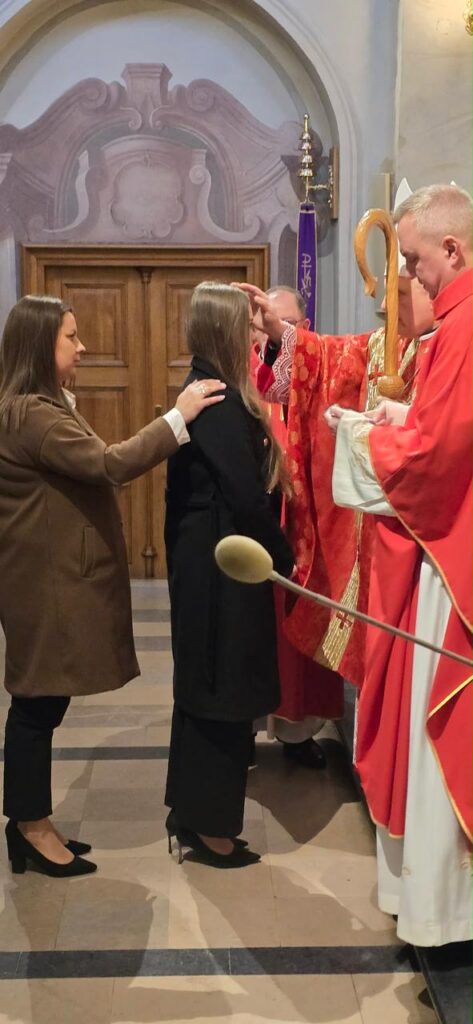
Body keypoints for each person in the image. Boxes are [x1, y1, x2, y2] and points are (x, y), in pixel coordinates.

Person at [0, 294, 226, 878]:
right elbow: (109, 464)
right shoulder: (32, 414)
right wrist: (178, 418)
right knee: (36, 705)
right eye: (70, 337)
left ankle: (32, 822)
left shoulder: (43, 405)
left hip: (42, 577)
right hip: (42, 584)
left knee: (42, 701)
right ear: (40, 345)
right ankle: (29, 828)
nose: (82, 347)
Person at [328, 183, 472, 945]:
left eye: (414, 263)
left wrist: (365, 440)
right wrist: (399, 417)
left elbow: (435, 457)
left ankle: (445, 911)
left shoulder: (464, 324)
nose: (408, 279)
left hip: (456, 557)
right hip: (450, 548)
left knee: (441, 720)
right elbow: (444, 428)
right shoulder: (452, 324)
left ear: (451, 248)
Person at [235, 275, 433, 695]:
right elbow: (323, 360)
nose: (385, 307)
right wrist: (278, 331)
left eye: (399, 292)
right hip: (378, 531)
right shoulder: (383, 345)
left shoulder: (448, 347)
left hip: (426, 537)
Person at [164, 281, 294, 868]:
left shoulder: (208, 384)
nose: (253, 334)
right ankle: (210, 828)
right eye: (245, 326)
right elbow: (245, 496)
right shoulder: (215, 398)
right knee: (222, 685)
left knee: (204, 681)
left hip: (210, 556)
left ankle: (190, 812)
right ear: (223, 330)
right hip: (222, 564)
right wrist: (282, 556)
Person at [250, 287, 339, 771]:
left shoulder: (321, 373)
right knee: (254, 634)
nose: (275, 333)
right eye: (266, 323)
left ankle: (298, 733)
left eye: (287, 325)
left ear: (304, 327)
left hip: (307, 524)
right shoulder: (244, 374)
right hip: (260, 525)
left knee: (300, 636)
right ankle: (243, 728)